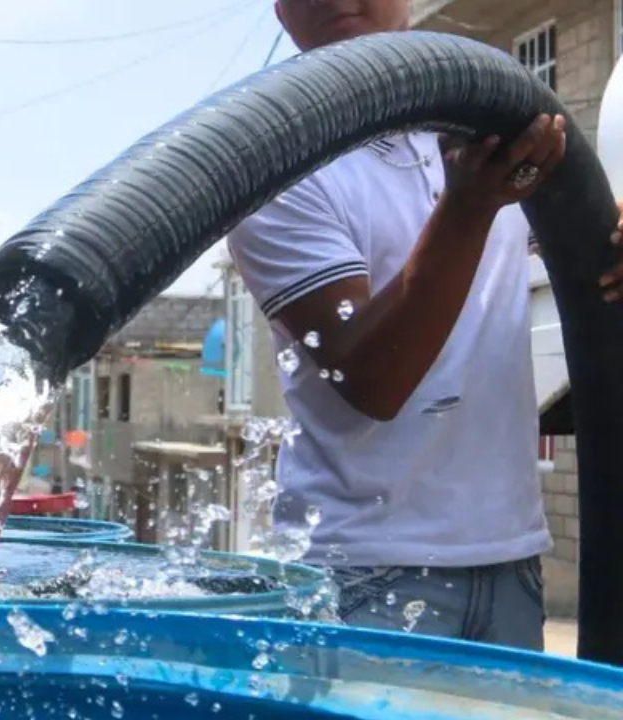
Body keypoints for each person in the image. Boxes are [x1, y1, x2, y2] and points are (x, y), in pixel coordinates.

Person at [227, 0, 623, 650]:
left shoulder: (485, 121)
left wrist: (612, 235)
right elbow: (373, 377)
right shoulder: (276, 166)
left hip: (509, 559)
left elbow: (577, 240)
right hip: (360, 574)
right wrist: (467, 208)